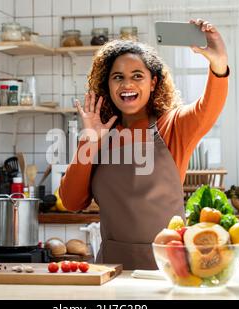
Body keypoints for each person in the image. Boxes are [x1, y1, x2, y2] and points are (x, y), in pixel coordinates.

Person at [59, 19, 229, 270]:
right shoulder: (99, 135)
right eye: (118, 77)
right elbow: (72, 201)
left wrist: (219, 63)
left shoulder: (172, 127)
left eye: (137, 76)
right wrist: (88, 142)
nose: (127, 84)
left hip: (169, 269)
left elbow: (208, 108)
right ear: (108, 85)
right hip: (111, 271)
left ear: (153, 83)